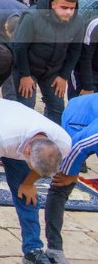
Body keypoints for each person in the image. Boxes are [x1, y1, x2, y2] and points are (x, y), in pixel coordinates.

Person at [0, 99, 72, 264]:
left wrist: (28, 184)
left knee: (27, 195)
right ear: (27, 151)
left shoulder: (63, 143)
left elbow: (42, 169)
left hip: (15, 129)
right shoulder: (1, 138)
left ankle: (32, 249)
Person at [12, 0, 82, 124]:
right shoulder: (32, 16)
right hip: (27, 67)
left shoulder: (78, 20)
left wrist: (64, 76)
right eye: (64, 7)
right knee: (26, 107)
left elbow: (75, 50)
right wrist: (25, 75)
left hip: (53, 71)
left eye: (72, 8)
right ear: (53, 4)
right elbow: (20, 47)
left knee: (58, 109)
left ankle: (50, 136)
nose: (69, 12)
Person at [44, 94, 98, 264]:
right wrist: (71, 173)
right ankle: (54, 249)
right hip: (79, 119)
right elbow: (78, 145)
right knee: (61, 183)